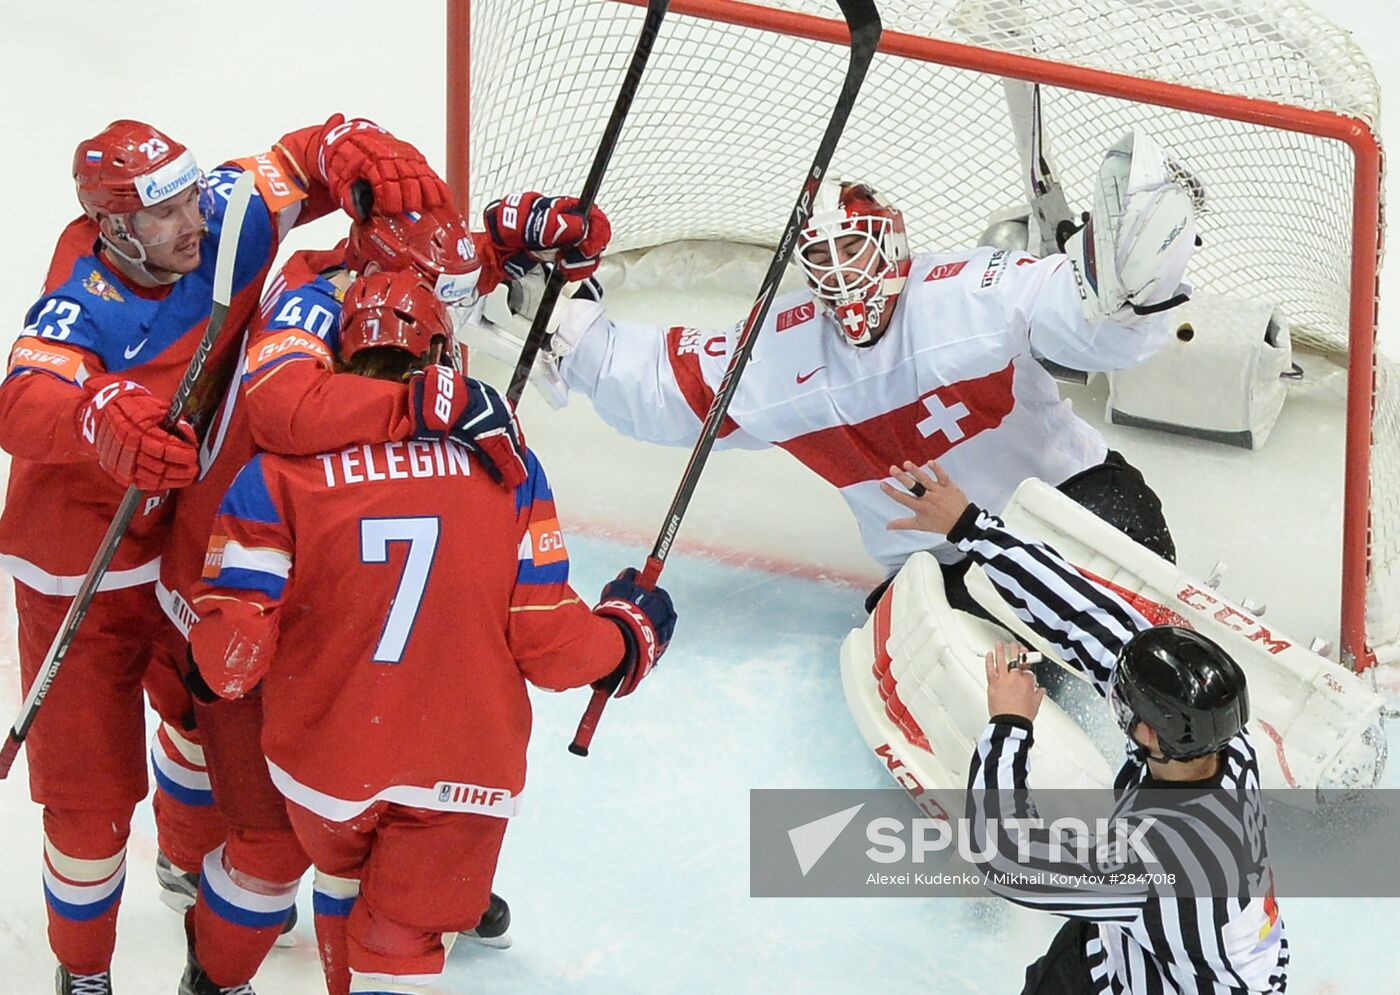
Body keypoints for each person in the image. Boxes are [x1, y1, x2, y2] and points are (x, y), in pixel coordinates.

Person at [0, 114, 455, 994]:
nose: (191, 225)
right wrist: (98, 419)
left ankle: (183, 861)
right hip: (78, 572)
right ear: (112, 228)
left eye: (188, 198)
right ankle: (83, 970)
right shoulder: (79, 298)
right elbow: (21, 398)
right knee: (89, 802)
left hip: (182, 545)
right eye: (163, 214)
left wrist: (349, 146)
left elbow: (294, 162)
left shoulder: (221, 216)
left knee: (200, 720)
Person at [185, 271, 675, 995]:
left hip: (323, 771)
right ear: (443, 356)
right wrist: (628, 637)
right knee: (401, 935)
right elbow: (548, 644)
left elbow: (231, 654)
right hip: (459, 775)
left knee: (345, 870)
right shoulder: (506, 465)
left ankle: (210, 981)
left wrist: (211, 656)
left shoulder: (279, 473)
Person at [517, 149, 1198, 614]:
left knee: (1119, 555)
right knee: (917, 637)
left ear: (893, 241)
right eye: (822, 255)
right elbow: (668, 387)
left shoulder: (972, 292)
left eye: (854, 247)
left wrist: (1128, 283)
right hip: (944, 565)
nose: (842, 273)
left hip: (1068, 505)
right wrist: (569, 324)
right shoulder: (778, 353)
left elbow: (1081, 318)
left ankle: (1159, 641)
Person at [882, 460, 1286, 994]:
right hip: (1133, 947)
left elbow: (1007, 858)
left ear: (1148, 736)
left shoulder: (1157, 862)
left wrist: (1008, 721)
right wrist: (969, 526)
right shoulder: (1226, 744)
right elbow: (1090, 620)